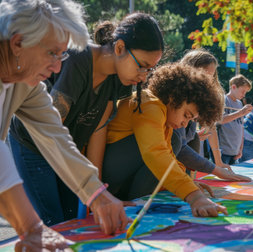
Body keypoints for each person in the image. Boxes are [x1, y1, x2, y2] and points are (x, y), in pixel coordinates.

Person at [9, 12, 164, 226]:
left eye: (150, 69)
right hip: (33, 146)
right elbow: (49, 133)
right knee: (53, 221)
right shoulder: (78, 60)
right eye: (142, 65)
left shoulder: (117, 80)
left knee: (72, 219)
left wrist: (98, 191)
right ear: (119, 48)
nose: (144, 76)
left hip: (62, 149)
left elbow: (87, 132)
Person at [0, 0, 127, 250]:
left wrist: (97, 194)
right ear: (17, 44)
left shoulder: (25, 84)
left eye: (62, 55)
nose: (58, 66)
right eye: (52, 53)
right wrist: (32, 228)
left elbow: (56, 135)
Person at [102, 63, 228, 217]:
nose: (184, 123)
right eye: (186, 115)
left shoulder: (164, 118)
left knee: (173, 142)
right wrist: (194, 196)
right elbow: (156, 154)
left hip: (116, 176)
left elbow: (168, 156)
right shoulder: (149, 104)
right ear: (173, 98)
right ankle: (134, 201)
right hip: (105, 177)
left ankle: (137, 200)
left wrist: (188, 183)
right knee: (170, 145)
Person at [171, 49, 250, 182]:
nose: (207, 81)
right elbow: (178, 146)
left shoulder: (202, 98)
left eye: (211, 76)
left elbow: (211, 126)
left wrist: (218, 162)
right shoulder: (176, 98)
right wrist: (215, 169)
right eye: (204, 74)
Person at [217, 74, 253, 165]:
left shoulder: (239, 104)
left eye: (246, 92)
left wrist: (240, 148)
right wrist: (240, 113)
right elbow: (220, 120)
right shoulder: (223, 100)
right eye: (243, 91)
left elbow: (240, 127)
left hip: (235, 151)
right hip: (223, 151)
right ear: (233, 87)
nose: (244, 95)